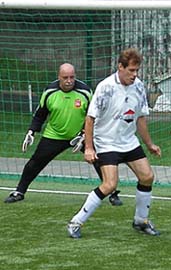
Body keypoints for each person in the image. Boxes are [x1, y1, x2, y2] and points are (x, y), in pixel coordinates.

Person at [67, 48, 161, 239]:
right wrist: (89, 147)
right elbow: (90, 118)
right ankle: (75, 222)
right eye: (131, 70)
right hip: (106, 142)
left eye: (137, 71)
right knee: (110, 184)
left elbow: (141, 118)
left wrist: (149, 144)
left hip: (128, 141)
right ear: (120, 67)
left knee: (147, 177)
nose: (135, 75)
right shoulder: (106, 87)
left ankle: (140, 221)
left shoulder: (139, 87)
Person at [4, 63, 122, 206]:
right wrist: (31, 131)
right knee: (35, 162)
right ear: (59, 77)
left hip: (81, 136)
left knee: (101, 161)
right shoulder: (50, 92)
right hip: (54, 135)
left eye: (72, 77)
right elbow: (40, 114)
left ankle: (112, 193)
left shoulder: (85, 91)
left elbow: (93, 117)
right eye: (65, 77)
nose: (69, 81)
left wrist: (84, 134)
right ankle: (19, 192)